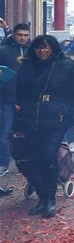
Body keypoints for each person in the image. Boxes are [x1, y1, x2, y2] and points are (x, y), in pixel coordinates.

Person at [13, 35, 74, 218]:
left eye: (46, 47)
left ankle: (50, 199)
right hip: (31, 119)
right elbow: (19, 93)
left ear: (53, 48)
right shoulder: (27, 66)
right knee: (34, 159)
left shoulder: (67, 66)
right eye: (39, 48)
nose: (42, 51)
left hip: (57, 118)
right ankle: (42, 198)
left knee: (49, 155)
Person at [0, 22, 30, 192]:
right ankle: (3, 163)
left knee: (26, 131)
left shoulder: (32, 51)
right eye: (20, 35)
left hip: (27, 98)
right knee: (4, 132)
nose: (23, 38)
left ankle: (25, 162)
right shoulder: (3, 50)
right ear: (14, 35)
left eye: (26, 35)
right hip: (7, 97)